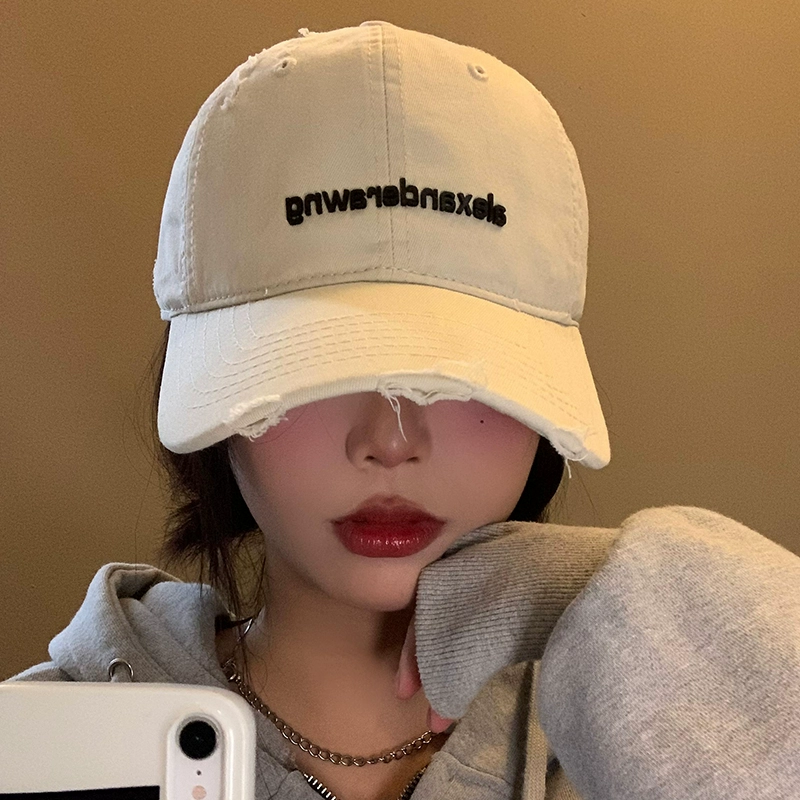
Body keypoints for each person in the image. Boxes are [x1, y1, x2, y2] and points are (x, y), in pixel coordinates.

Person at [6, 20, 799, 800]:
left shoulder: (646, 757)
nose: (390, 438)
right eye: (311, 365)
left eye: (456, 374)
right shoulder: (37, 752)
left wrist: (641, 601)